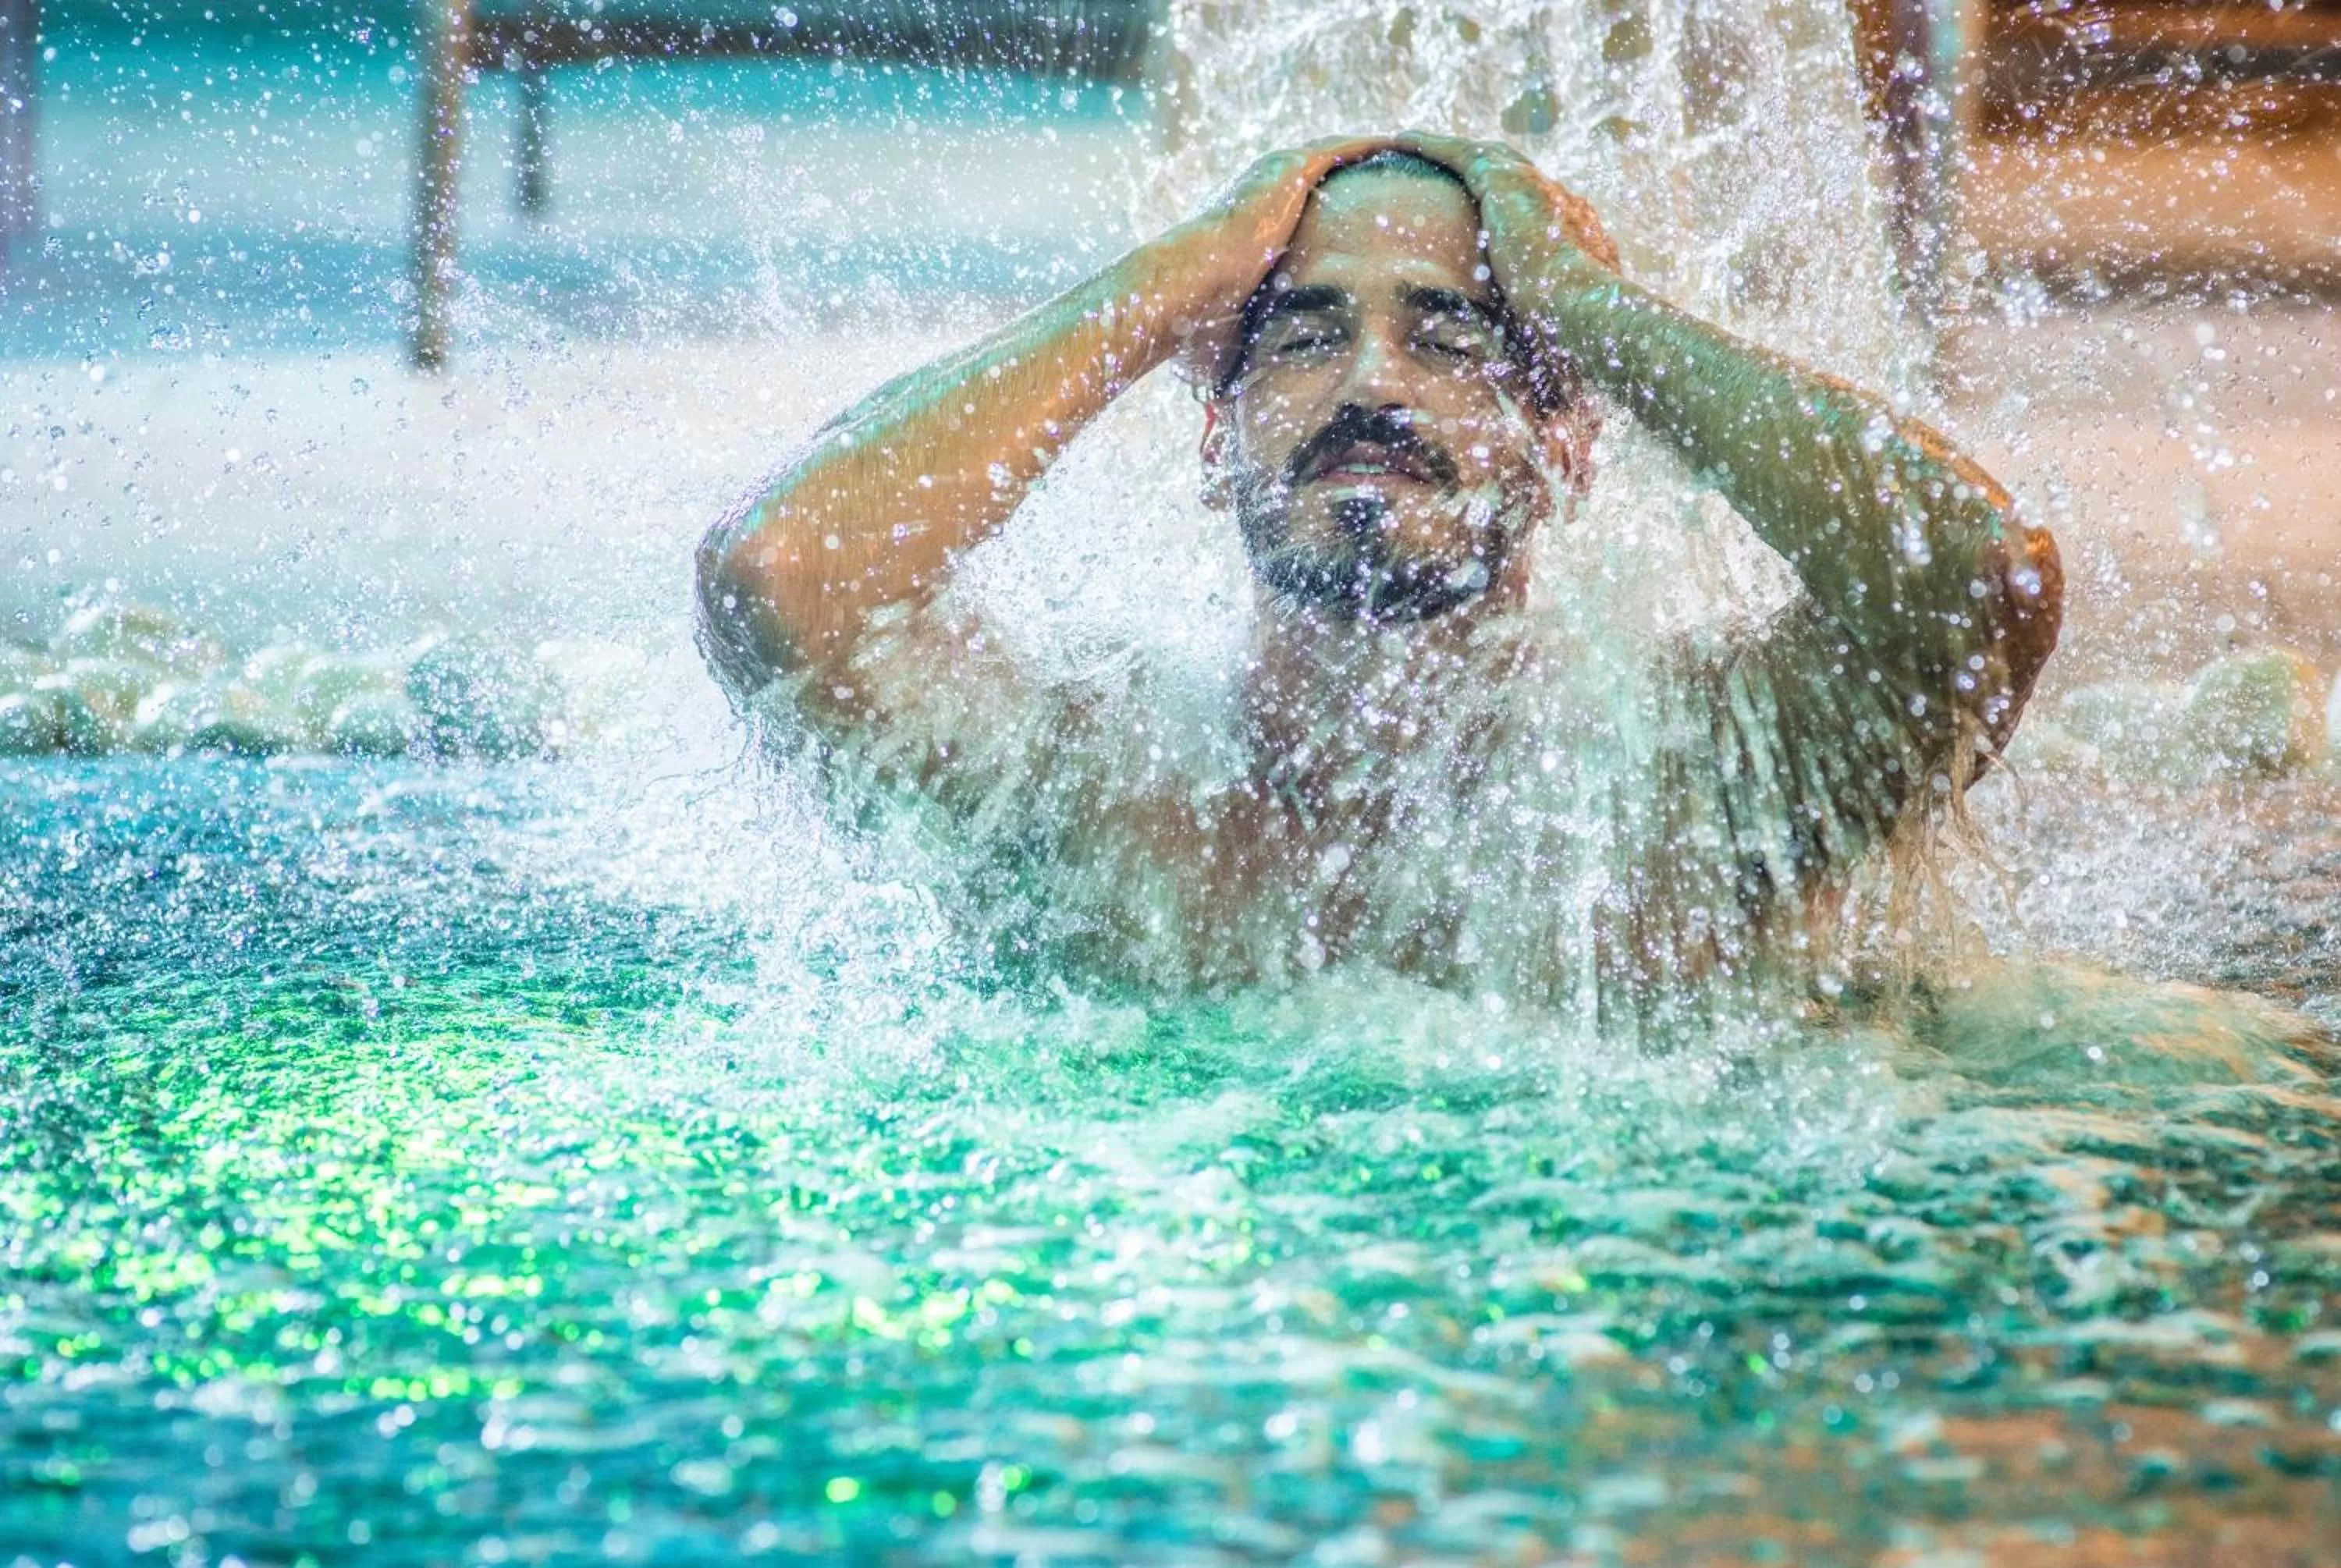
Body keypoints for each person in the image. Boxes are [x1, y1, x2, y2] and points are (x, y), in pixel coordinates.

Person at [696, 133, 2062, 1016]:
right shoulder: (1107, 800)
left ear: (1566, 452)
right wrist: (1174, 285)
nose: (1367, 385)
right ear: (1215, 443)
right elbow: (782, 569)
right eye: (1299, 337)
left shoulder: (1686, 789)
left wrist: (1586, 306)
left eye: (1452, 340)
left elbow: (1976, 576)